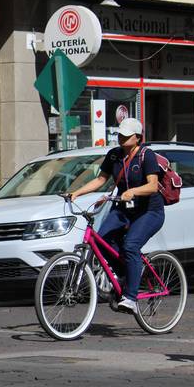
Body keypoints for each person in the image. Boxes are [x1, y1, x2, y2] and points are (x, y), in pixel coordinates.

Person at [67, 117, 164, 314]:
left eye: (126, 136)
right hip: (123, 208)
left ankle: (131, 297)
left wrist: (134, 191)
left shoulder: (147, 156)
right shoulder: (114, 155)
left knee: (130, 245)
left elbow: (153, 185)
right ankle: (126, 275)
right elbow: (100, 179)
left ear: (137, 138)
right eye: (120, 134)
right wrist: (76, 192)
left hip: (149, 211)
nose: (121, 138)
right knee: (101, 242)